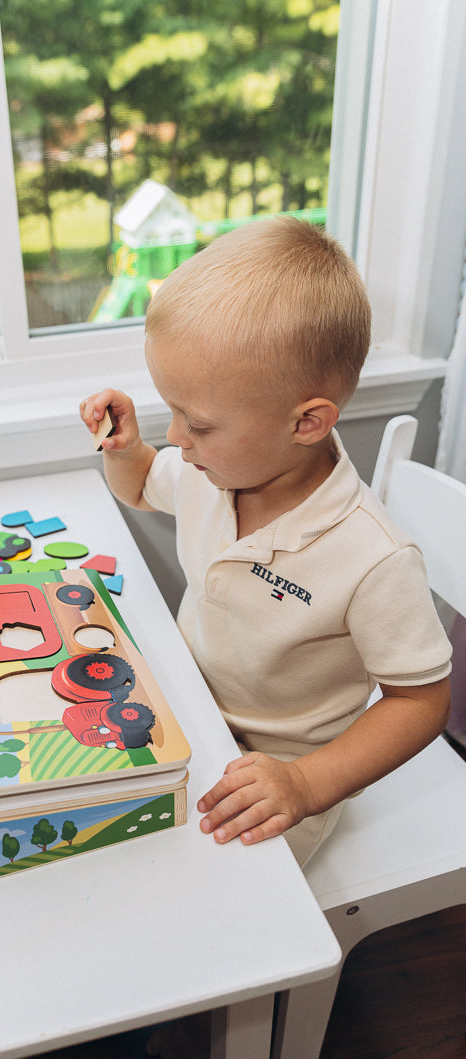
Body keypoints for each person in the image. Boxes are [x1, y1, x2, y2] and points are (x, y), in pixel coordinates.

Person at [80, 215, 452, 870]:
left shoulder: (374, 558)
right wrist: (126, 448)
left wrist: (307, 783)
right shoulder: (211, 471)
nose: (178, 439)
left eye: (196, 422)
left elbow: (421, 701)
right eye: (172, 413)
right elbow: (140, 486)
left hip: (278, 780)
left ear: (306, 422)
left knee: (179, 891)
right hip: (185, 714)